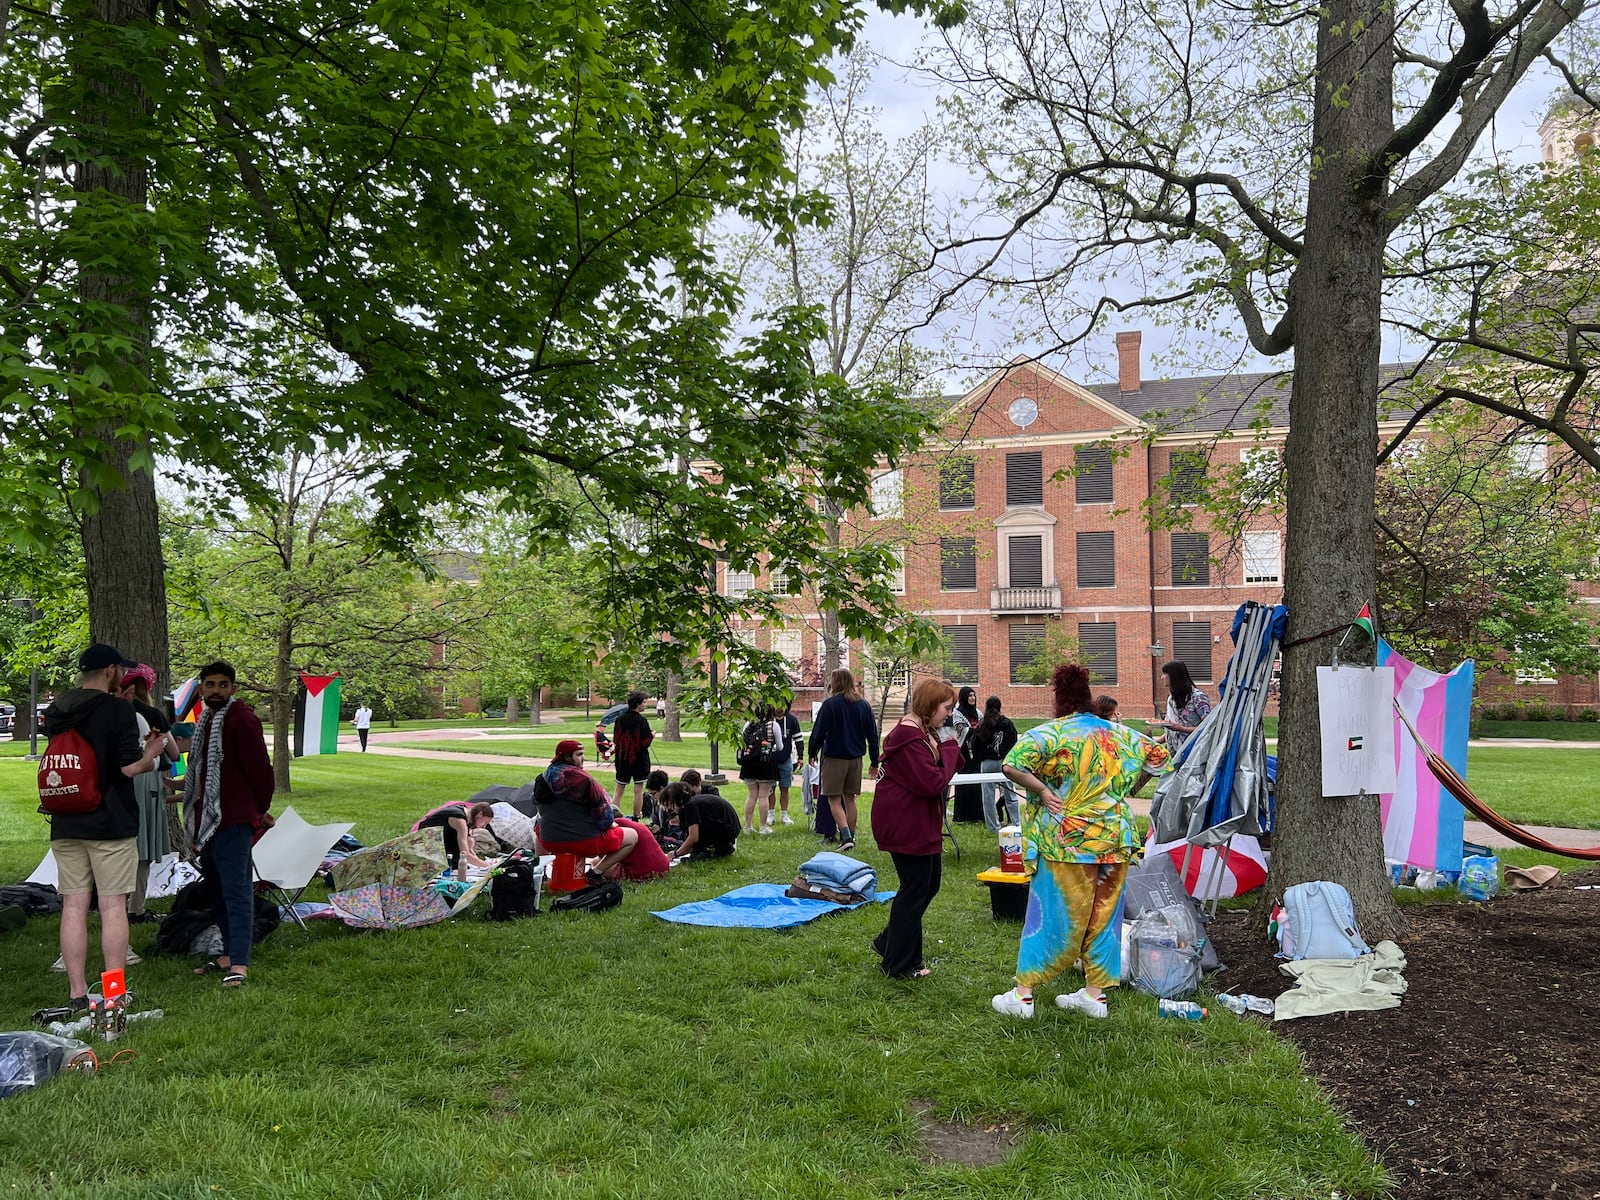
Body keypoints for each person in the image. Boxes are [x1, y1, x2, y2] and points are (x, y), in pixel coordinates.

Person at [992, 664, 1171, 1020]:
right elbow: (1159, 757)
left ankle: (1023, 995)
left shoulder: (1050, 734)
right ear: (1088, 698)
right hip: (1114, 839)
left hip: (1067, 841)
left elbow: (1011, 765)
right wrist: (1124, 790)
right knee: (1105, 917)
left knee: (1051, 914)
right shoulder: (1118, 734)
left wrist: (1043, 790)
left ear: (1058, 699)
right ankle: (1094, 995)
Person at [41, 644, 168, 1011]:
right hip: (110, 820)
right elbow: (128, 769)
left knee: (74, 906)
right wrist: (152, 753)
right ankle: (113, 992)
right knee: (113, 907)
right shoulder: (117, 710)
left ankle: (77, 993)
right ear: (111, 670)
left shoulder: (59, 709)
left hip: (66, 818)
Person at [184, 660, 275, 989]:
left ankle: (239, 963)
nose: (217, 690)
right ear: (201, 689)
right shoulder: (207, 720)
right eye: (211, 685)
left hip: (234, 820)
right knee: (217, 891)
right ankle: (226, 955)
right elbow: (208, 773)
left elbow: (261, 772)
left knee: (236, 892)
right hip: (209, 822)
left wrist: (259, 810)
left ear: (233, 689)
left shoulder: (242, 720)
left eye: (223, 685)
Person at [870, 678, 964, 979]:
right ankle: (900, 964)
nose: (949, 714)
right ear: (929, 705)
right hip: (905, 823)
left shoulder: (923, 732)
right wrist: (948, 747)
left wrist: (946, 747)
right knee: (913, 890)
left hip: (918, 821)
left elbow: (948, 767)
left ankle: (890, 942)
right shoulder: (909, 737)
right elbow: (932, 783)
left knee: (928, 885)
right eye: (946, 708)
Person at [114, 664, 181, 923]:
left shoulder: (111, 711)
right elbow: (174, 753)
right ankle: (136, 908)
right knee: (141, 846)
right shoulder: (151, 714)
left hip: (117, 778)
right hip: (145, 778)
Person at [537, 739, 639, 879]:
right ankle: (595, 873)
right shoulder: (584, 781)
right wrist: (610, 824)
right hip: (584, 843)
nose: (583, 758)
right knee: (632, 836)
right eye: (579, 754)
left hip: (550, 841)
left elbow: (538, 807)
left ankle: (539, 873)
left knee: (537, 825)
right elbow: (603, 814)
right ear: (567, 757)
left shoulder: (541, 779)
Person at [806, 669, 880, 852]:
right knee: (850, 799)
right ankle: (852, 836)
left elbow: (819, 731)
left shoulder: (830, 704)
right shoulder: (864, 705)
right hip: (855, 759)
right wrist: (874, 761)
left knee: (833, 799)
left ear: (836, 682)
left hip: (834, 758)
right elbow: (872, 735)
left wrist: (812, 751)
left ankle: (845, 835)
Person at [973, 695, 1021, 831]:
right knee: (1010, 793)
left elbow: (975, 744)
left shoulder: (982, 724)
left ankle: (993, 826)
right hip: (1004, 762)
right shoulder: (1007, 724)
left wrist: (981, 757)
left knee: (987, 797)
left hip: (987, 763)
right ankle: (1016, 823)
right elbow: (1014, 742)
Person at [413, 801, 498, 878]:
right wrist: (488, 867)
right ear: (479, 814)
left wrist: (479, 863)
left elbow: (468, 848)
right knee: (460, 862)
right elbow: (464, 854)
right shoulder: (460, 821)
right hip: (429, 848)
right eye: (485, 822)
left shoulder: (465, 815)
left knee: (469, 843)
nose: (484, 826)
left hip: (438, 843)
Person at [738, 704, 784, 834]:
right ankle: (763, 827)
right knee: (763, 796)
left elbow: (743, 741)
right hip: (765, 763)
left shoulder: (749, 724)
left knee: (751, 796)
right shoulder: (773, 725)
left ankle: (747, 826)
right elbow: (780, 746)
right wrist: (770, 748)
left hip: (749, 763)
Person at [670, 781, 741, 862]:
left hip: (728, 828)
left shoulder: (690, 807)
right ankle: (718, 848)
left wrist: (676, 853)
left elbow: (693, 837)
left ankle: (717, 849)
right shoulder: (692, 802)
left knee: (696, 828)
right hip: (729, 825)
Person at [1150, 660, 1211, 755]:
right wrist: (1155, 742)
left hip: (1193, 753)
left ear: (1174, 676)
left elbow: (1209, 727)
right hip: (1174, 753)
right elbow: (1172, 731)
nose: (1162, 677)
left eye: (1165, 674)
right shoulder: (1172, 699)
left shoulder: (1198, 698)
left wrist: (1181, 728)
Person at [611, 691, 655, 819]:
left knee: (619, 789)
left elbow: (616, 739)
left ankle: (613, 816)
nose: (646, 705)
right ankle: (636, 817)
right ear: (638, 704)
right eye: (644, 702)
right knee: (638, 790)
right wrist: (651, 735)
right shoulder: (642, 720)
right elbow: (645, 742)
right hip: (639, 759)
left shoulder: (619, 720)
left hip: (622, 759)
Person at [774, 697, 803, 825]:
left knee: (785, 787)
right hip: (770, 760)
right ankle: (770, 814)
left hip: (786, 759)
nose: (779, 708)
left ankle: (784, 815)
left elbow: (798, 739)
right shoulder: (769, 720)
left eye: (781, 704)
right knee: (770, 788)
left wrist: (801, 757)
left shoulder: (792, 720)